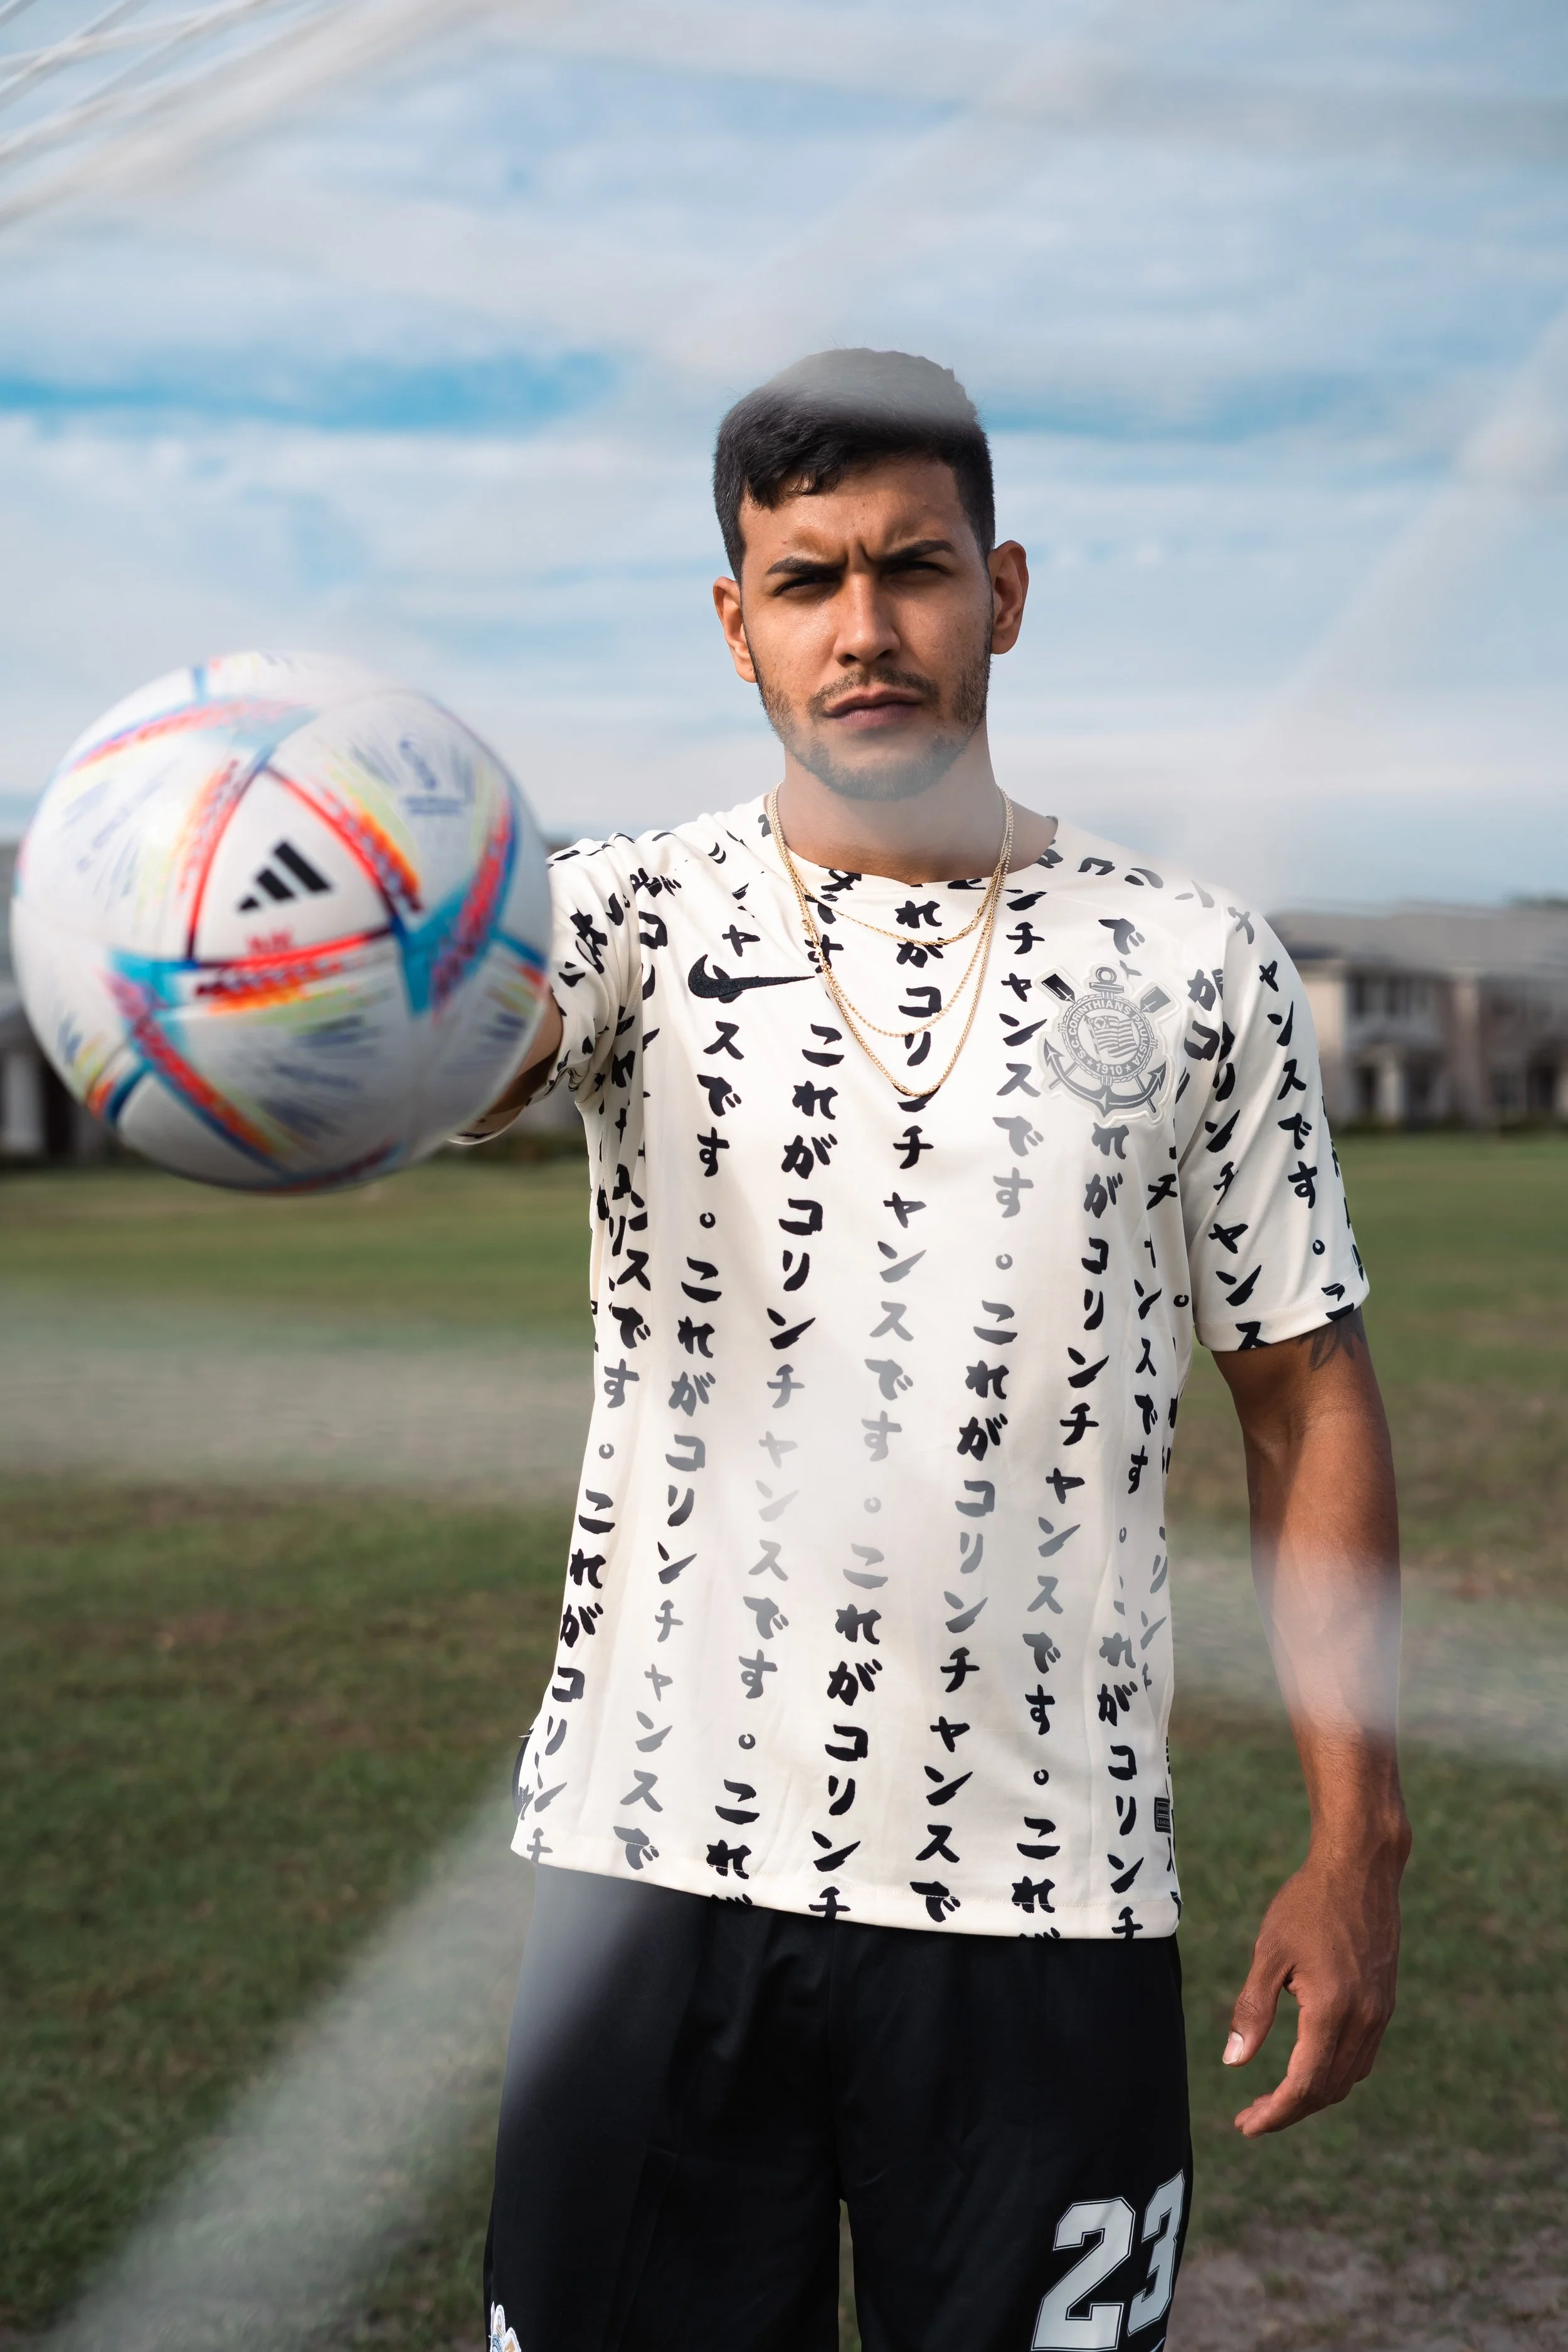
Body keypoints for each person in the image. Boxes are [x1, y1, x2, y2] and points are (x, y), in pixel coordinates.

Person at [466, 348, 1409, 2352]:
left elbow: (1301, 1394)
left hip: (1043, 1899)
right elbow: (466, 1033)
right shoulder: (626, 915)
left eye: (912, 566)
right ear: (736, 625)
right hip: (654, 1882)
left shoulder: (1187, 959)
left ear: (1004, 589)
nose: (865, 627)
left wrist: (1356, 1834)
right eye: (805, 580)